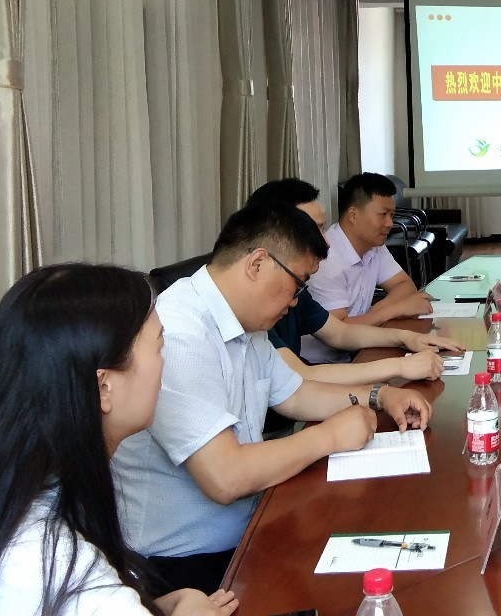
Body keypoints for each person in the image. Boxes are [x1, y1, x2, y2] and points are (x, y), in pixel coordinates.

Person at [113, 203, 433, 597]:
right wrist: (328, 437)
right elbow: (225, 477)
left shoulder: (244, 321)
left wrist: (379, 396)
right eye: (298, 284)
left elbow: (296, 393)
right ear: (258, 264)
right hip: (187, 566)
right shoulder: (181, 334)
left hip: (251, 523)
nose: (296, 301)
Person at [0, 264, 237, 616]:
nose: (166, 364)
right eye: (160, 347)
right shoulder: (59, 569)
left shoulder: (12, 493)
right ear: (104, 387)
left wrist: (169, 605)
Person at [246, 178, 463, 383]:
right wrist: (398, 367)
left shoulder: (296, 292)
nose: (326, 243)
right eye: (314, 230)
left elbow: (340, 333)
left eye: (322, 229)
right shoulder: (251, 309)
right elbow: (300, 377)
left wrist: (406, 338)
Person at [300, 173, 433, 364]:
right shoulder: (326, 259)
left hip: (357, 349)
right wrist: (394, 310)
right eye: (382, 215)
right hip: (322, 363)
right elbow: (340, 330)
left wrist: (373, 314)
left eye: (392, 215)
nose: (389, 224)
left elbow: (405, 286)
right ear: (353, 215)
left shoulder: (374, 246)